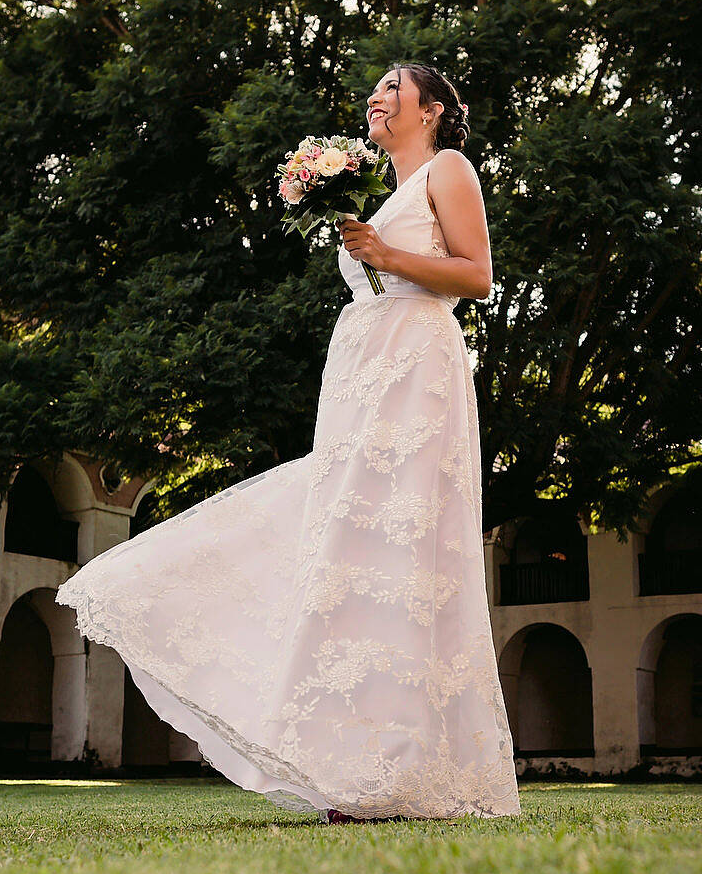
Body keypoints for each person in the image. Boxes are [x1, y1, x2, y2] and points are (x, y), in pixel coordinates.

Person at [56, 63, 521, 824]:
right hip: (362, 367)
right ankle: (354, 766)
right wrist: (369, 247)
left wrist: (385, 255)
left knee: (399, 549)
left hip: (419, 366)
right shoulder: (380, 197)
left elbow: (477, 277)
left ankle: (400, 770)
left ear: (431, 109)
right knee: (347, 549)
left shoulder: (448, 168)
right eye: (373, 89)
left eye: (393, 88)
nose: (376, 97)